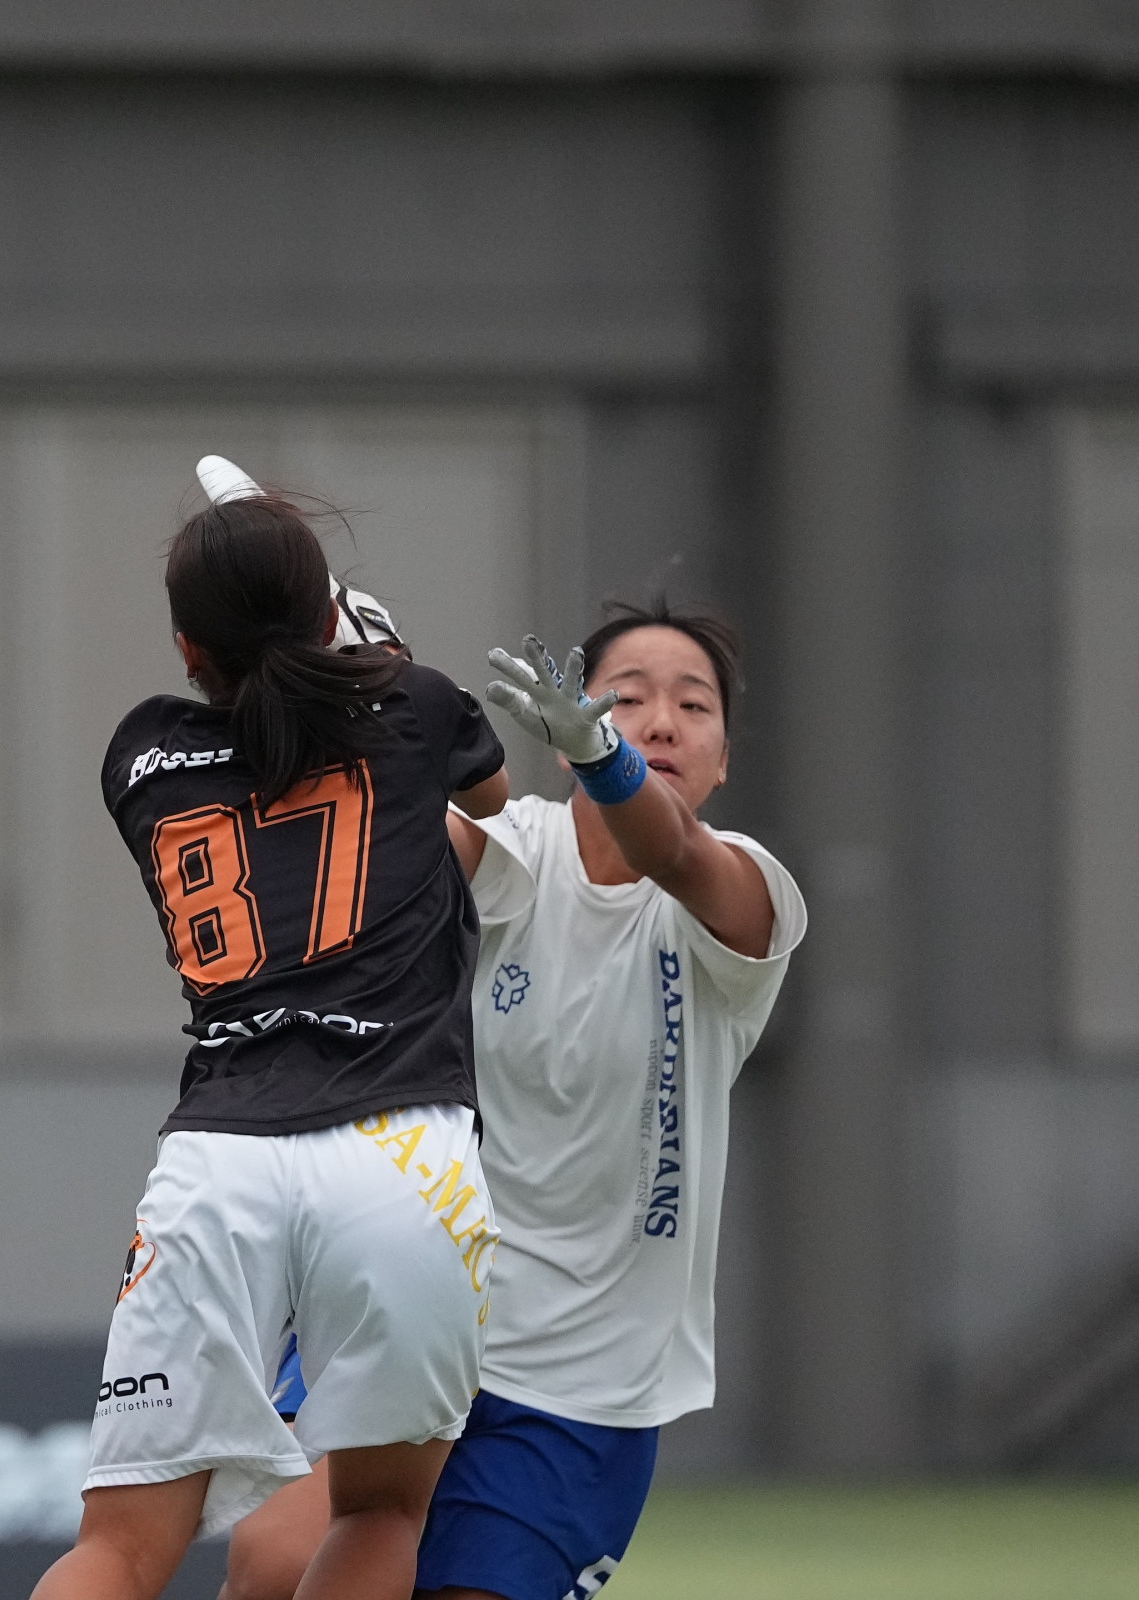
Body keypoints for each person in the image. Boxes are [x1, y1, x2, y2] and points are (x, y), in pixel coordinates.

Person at [222, 600, 806, 1600]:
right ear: (567, 715)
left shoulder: (745, 889)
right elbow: (390, 843)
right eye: (627, 697)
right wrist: (360, 699)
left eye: (692, 705)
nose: (660, 721)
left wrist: (605, 757)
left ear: (723, 757)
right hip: (415, 1307)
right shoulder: (514, 848)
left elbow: (671, 854)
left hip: (585, 1388)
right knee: (272, 1564)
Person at [31, 473, 510, 1600]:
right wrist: (372, 651)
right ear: (327, 614)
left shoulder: (141, 754)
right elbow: (486, 806)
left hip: (220, 1159)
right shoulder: (417, 706)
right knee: (382, 1509)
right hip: (403, 1155)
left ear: (189, 650)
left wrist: (336, 651)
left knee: (117, 1550)